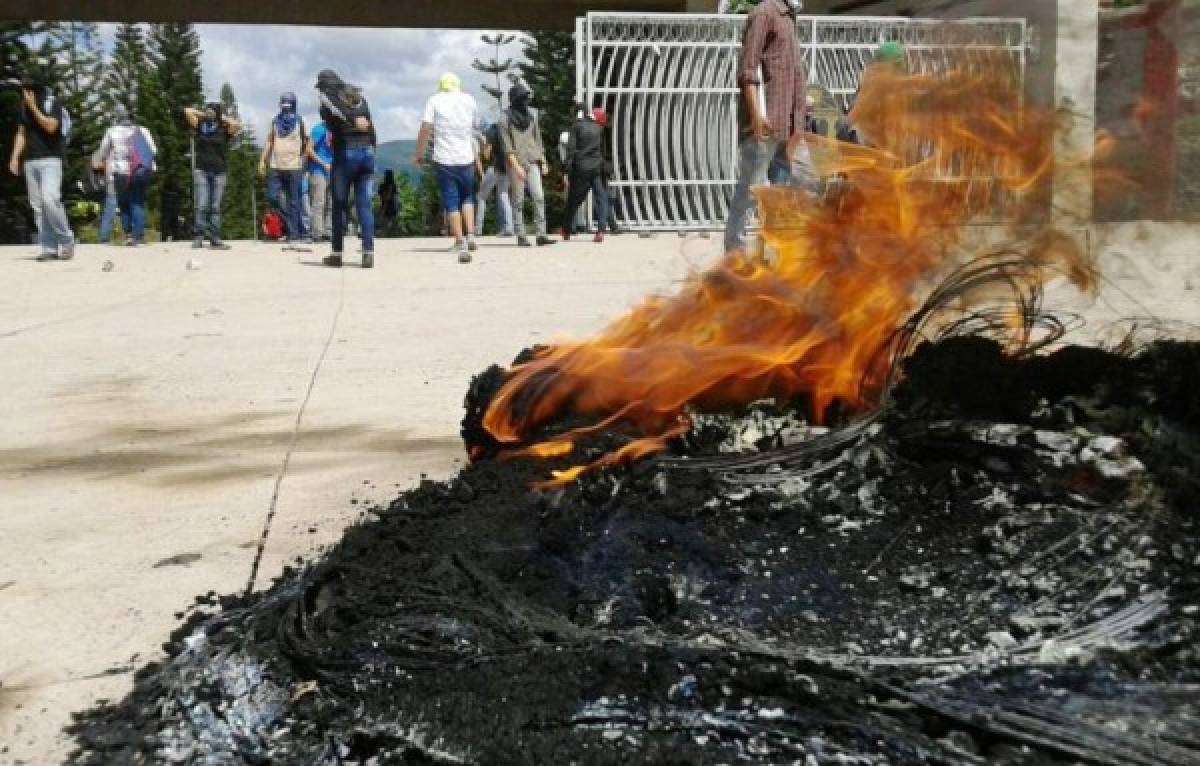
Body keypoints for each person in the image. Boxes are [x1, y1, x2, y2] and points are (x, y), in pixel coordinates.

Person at [723, 0, 816, 254]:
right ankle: (735, 253)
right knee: (751, 190)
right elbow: (748, 70)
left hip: (790, 126)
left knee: (785, 192)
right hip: (765, 124)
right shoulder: (765, 13)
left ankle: (773, 252)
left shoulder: (789, 17)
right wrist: (756, 114)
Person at [7, 72, 75, 261]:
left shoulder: (52, 103)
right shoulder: (23, 107)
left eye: (28, 89)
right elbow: (21, 133)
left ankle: (67, 239)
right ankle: (49, 247)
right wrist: (14, 157)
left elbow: (51, 127)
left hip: (51, 159)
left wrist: (33, 108)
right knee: (38, 207)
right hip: (30, 161)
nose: (25, 92)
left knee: (50, 199)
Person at [413, 72, 479, 263]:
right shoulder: (469, 99)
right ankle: (472, 235)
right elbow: (475, 126)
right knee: (467, 196)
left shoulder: (435, 100)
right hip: (466, 156)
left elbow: (426, 127)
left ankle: (460, 242)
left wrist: (418, 153)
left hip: (445, 158)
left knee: (451, 200)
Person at [316, 69, 377, 269]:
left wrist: (349, 121)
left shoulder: (328, 98)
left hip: (345, 153)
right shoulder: (360, 98)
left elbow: (334, 112)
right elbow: (370, 125)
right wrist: (372, 148)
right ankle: (368, 252)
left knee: (339, 204)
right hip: (367, 152)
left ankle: (336, 253)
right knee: (364, 205)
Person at [93, 104, 157, 246]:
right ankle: (139, 236)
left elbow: (102, 152)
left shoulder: (112, 132)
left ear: (117, 116)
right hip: (140, 171)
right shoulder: (143, 131)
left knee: (124, 204)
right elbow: (153, 150)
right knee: (138, 202)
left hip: (121, 172)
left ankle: (128, 235)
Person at [501, 83, 554, 247]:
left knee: (539, 196)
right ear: (515, 99)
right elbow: (507, 146)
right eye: (523, 97)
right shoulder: (504, 119)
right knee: (518, 200)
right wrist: (516, 167)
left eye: (527, 97)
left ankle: (541, 234)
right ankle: (521, 235)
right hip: (515, 163)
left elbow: (537, 140)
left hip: (532, 162)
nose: (526, 101)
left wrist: (543, 161)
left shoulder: (531, 116)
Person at [184, 101, 241, 249]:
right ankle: (198, 237)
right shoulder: (200, 127)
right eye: (207, 110)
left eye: (212, 111)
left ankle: (215, 238)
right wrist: (205, 114)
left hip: (219, 172)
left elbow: (237, 125)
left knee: (215, 206)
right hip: (201, 170)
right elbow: (188, 111)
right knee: (201, 205)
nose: (209, 113)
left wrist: (220, 118)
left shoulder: (223, 129)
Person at [259, 92, 309, 243]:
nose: (285, 107)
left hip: (294, 166)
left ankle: (294, 234)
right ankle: (289, 226)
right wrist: (262, 160)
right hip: (276, 165)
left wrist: (303, 160)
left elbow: (307, 142)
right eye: (283, 104)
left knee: (294, 201)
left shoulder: (301, 120)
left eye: (288, 104)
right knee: (273, 197)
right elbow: (269, 141)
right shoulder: (274, 121)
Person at [562, 108, 610, 243]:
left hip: (581, 169)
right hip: (597, 168)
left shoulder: (577, 126)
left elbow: (571, 150)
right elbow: (603, 151)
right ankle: (600, 230)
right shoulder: (599, 129)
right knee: (602, 198)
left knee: (574, 200)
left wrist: (566, 171)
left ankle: (566, 230)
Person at [474, 120, 513, 237]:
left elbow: (486, 156)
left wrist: (482, 144)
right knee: (504, 196)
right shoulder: (505, 133)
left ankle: (478, 229)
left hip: (494, 168)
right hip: (506, 168)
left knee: (481, 196)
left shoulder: (489, 133)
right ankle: (509, 228)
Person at [307, 119, 334, 242]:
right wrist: (323, 163)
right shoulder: (319, 129)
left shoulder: (336, 129)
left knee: (331, 202)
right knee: (319, 202)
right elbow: (309, 149)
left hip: (333, 170)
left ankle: (328, 231)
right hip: (318, 170)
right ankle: (317, 233)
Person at [378, 168, 399, 236]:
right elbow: (395, 196)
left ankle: (384, 234)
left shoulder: (382, 185)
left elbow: (380, 196)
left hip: (384, 206)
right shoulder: (393, 186)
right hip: (392, 206)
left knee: (384, 224)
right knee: (393, 224)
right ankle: (392, 235)